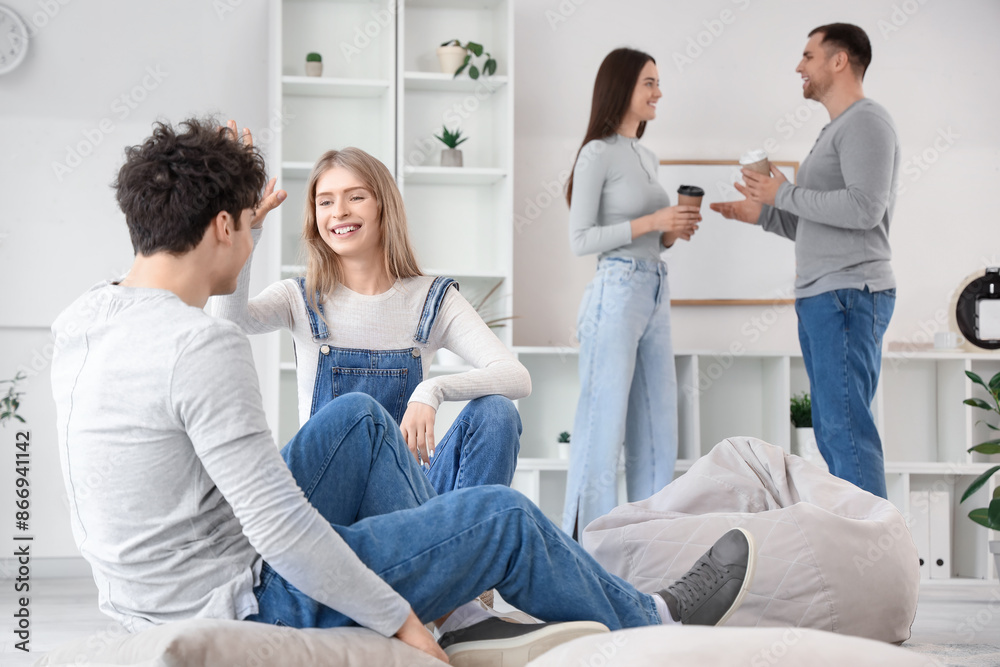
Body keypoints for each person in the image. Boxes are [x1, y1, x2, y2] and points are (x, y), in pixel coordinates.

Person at [50, 118, 756, 664]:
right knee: (501, 518)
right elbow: (281, 530)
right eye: (250, 222)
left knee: (358, 417)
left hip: (154, 588)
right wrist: (399, 618)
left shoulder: (82, 318)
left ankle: (459, 598)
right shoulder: (203, 344)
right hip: (239, 595)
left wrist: (436, 392)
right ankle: (654, 615)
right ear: (225, 226)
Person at [211, 141, 529, 495]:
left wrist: (432, 390)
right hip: (331, 498)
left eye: (356, 197)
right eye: (326, 201)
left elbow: (516, 376)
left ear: (383, 206)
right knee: (358, 410)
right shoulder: (299, 298)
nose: (339, 212)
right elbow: (228, 324)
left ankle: (463, 536)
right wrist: (245, 234)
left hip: (405, 500)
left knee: (498, 413)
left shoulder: (432, 299)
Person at [711, 23, 899, 498]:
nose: (800, 65)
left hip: (848, 294)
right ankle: (855, 548)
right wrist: (764, 213)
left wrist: (785, 192)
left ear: (839, 61)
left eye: (808, 55)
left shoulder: (866, 121)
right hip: (825, 296)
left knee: (845, 429)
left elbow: (864, 209)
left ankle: (872, 556)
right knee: (833, 429)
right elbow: (810, 222)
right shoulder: (835, 130)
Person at [563, 48, 702, 537]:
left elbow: (651, 236)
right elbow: (580, 240)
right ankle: (589, 546)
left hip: (655, 286)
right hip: (615, 289)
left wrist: (671, 231)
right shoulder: (596, 153)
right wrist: (653, 221)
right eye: (649, 83)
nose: (658, 92)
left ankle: (647, 541)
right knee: (603, 426)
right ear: (622, 87)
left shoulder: (646, 154)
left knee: (659, 424)